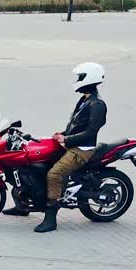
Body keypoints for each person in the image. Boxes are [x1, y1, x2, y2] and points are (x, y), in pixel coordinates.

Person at [33, 62, 108, 233]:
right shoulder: (85, 100)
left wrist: (66, 138)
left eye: (80, 77)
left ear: (89, 78)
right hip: (71, 143)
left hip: (82, 149)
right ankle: (24, 205)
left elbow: (90, 133)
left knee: (54, 174)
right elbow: (76, 125)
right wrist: (61, 134)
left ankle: (50, 219)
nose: (78, 80)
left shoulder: (97, 105)